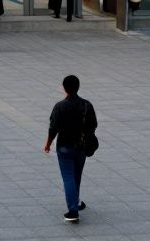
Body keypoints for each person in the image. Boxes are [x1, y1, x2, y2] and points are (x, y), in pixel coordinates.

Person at [43, 75, 97, 223]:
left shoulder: (60, 106)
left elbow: (53, 127)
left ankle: (73, 210)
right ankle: (77, 201)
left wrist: (48, 143)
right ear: (78, 87)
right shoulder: (87, 105)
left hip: (64, 147)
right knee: (76, 176)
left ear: (64, 88)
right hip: (81, 147)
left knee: (68, 177)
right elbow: (93, 125)